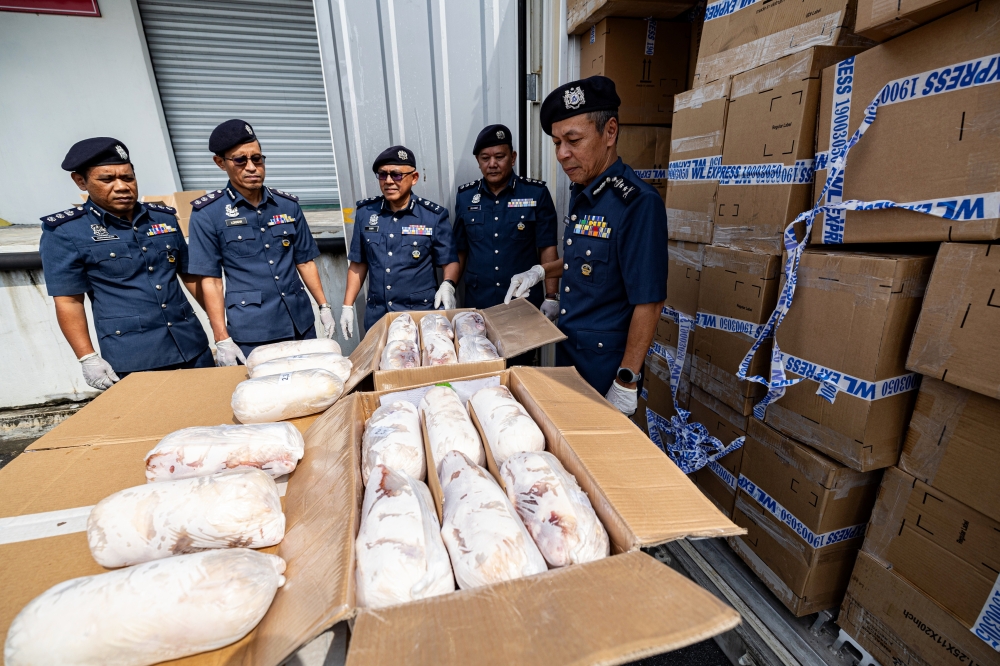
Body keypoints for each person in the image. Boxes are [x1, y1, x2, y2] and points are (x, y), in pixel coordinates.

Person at [504, 76, 668, 415]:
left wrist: (626, 380)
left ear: (610, 132)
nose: (563, 154)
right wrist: (540, 272)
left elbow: (649, 301)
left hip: (605, 370)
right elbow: (586, 261)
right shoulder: (586, 193)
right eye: (557, 142)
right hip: (571, 358)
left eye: (573, 140)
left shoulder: (637, 204)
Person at [40, 137, 212, 390]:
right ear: (80, 181)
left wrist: (221, 331)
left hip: (193, 346)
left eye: (128, 177)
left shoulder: (162, 218)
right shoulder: (66, 232)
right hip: (135, 357)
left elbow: (190, 277)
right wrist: (87, 357)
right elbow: (68, 300)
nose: (122, 186)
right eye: (107, 179)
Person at [186, 119, 336, 363]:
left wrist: (324, 307)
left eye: (257, 159)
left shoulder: (287, 205)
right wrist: (221, 337)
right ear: (220, 163)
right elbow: (211, 281)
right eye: (240, 160)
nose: (251, 167)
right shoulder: (208, 214)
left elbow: (305, 262)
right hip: (254, 329)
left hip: (300, 322)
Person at [340, 146, 459, 338]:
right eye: (382, 175)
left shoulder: (432, 217)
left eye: (396, 175)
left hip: (420, 317)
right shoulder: (366, 214)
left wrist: (448, 285)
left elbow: (450, 259)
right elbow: (358, 263)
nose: (388, 181)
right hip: (378, 317)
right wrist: (347, 305)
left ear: (414, 178)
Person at [453, 124, 559, 318]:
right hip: (479, 303)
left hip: (523, 302)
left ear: (513, 158)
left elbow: (547, 248)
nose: (492, 164)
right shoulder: (465, 197)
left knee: (524, 350)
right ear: (478, 161)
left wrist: (551, 296)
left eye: (499, 157)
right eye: (485, 158)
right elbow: (460, 250)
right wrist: (449, 286)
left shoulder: (536, 194)